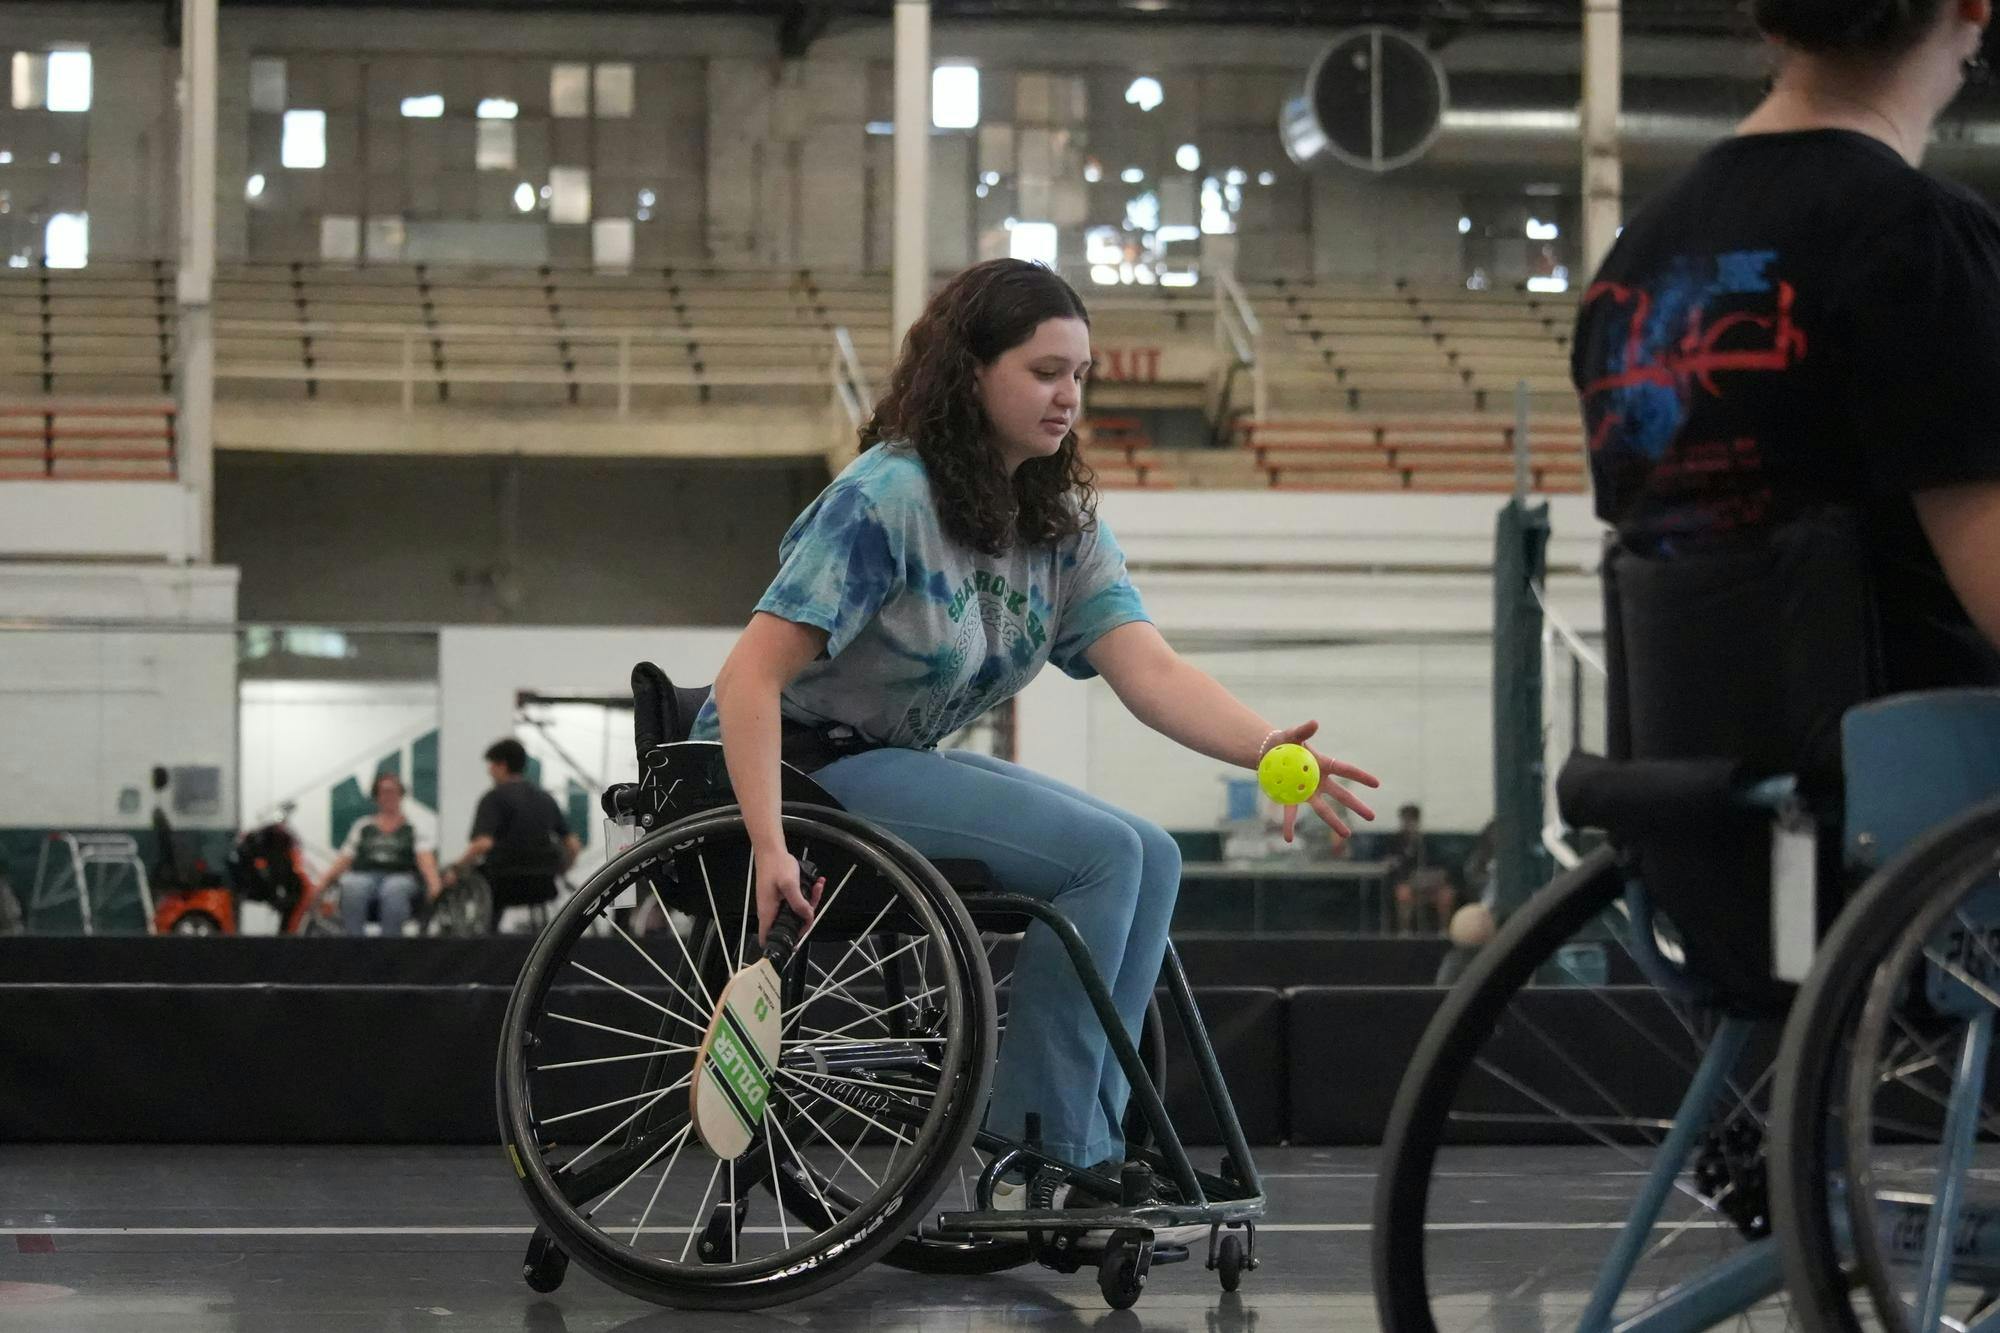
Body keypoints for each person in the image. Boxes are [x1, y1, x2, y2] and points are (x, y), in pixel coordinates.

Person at [692, 258, 1380, 1214]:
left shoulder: (1058, 526)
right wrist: (767, 840)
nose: (1069, 396)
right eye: (1046, 370)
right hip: (797, 773)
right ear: (971, 371)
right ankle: (1045, 1144)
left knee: (1152, 851)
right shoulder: (887, 496)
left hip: (890, 768)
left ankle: (1083, 1142)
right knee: (1102, 854)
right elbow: (746, 678)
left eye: (1081, 375)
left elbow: (1155, 672)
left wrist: (1266, 747)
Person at [1573, 0, 2000, 694]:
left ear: (1774, 20)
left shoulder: (1631, 268)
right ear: (1973, 9)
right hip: (1915, 784)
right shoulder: (1921, 238)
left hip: (1687, 785)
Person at [448, 739, 580, 931]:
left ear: (502, 765)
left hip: (502, 884)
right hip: (542, 885)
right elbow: (573, 844)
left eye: (491, 765)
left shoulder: (493, 798)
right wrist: (562, 869)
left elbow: (482, 844)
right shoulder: (546, 798)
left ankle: (486, 938)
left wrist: (456, 868)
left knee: (476, 876)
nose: (489, 771)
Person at [316, 773, 441, 937]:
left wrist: (434, 884)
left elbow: (424, 858)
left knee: (393, 889)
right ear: (377, 797)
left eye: (393, 791)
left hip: (401, 876)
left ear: (400, 795)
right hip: (365, 876)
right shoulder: (362, 826)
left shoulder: (413, 827)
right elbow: (344, 859)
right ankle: (354, 944)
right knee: (352, 884)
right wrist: (323, 883)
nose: (389, 796)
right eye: (384, 792)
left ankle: (389, 946)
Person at [1389, 803, 1453, 934]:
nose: (1409, 824)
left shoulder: (1427, 842)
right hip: (1408, 883)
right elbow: (1393, 864)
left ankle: (1444, 931)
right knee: (1403, 893)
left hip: (1430, 885)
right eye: (1406, 820)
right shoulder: (1395, 841)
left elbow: (1440, 866)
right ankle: (1405, 931)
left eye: (1412, 820)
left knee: (1446, 895)